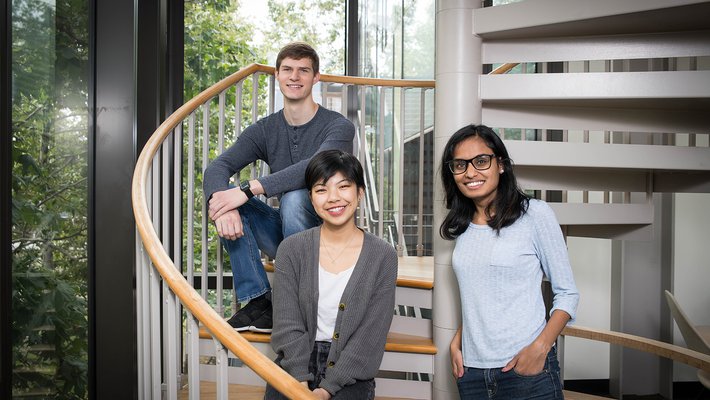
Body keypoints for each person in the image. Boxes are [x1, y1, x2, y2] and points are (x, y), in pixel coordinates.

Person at [203, 42, 355, 333]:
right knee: (229, 202)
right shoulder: (265, 129)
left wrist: (247, 189)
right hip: (288, 238)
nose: (294, 76)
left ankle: (299, 301)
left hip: (329, 239)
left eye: (303, 70)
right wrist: (223, 206)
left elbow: (315, 167)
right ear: (277, 75)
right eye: (287, 69)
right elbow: (216, 168)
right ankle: (260, 300)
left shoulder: (338, 126)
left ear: (315, 78)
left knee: (295, 199)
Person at [440, 124, 579, 398]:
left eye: (481, 161)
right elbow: (483, 295)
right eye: (460, 165)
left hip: (524, 370)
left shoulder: (535, 215)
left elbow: (568, 294)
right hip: (472, 373)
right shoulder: (464, 226)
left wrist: (539, 349)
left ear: (500, 164)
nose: (470, 173)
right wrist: (457, 343)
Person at [264, 149, 398, 400]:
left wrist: (326, 390)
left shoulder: (383, 255)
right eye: (322, 189)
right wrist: (300, 384)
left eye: (343, 186)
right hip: (294, 364)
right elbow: (286, 323)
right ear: (312, 199)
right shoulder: (292, 249)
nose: (333, 198)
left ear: (359, 192)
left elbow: (370, 335)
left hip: (352, 370)